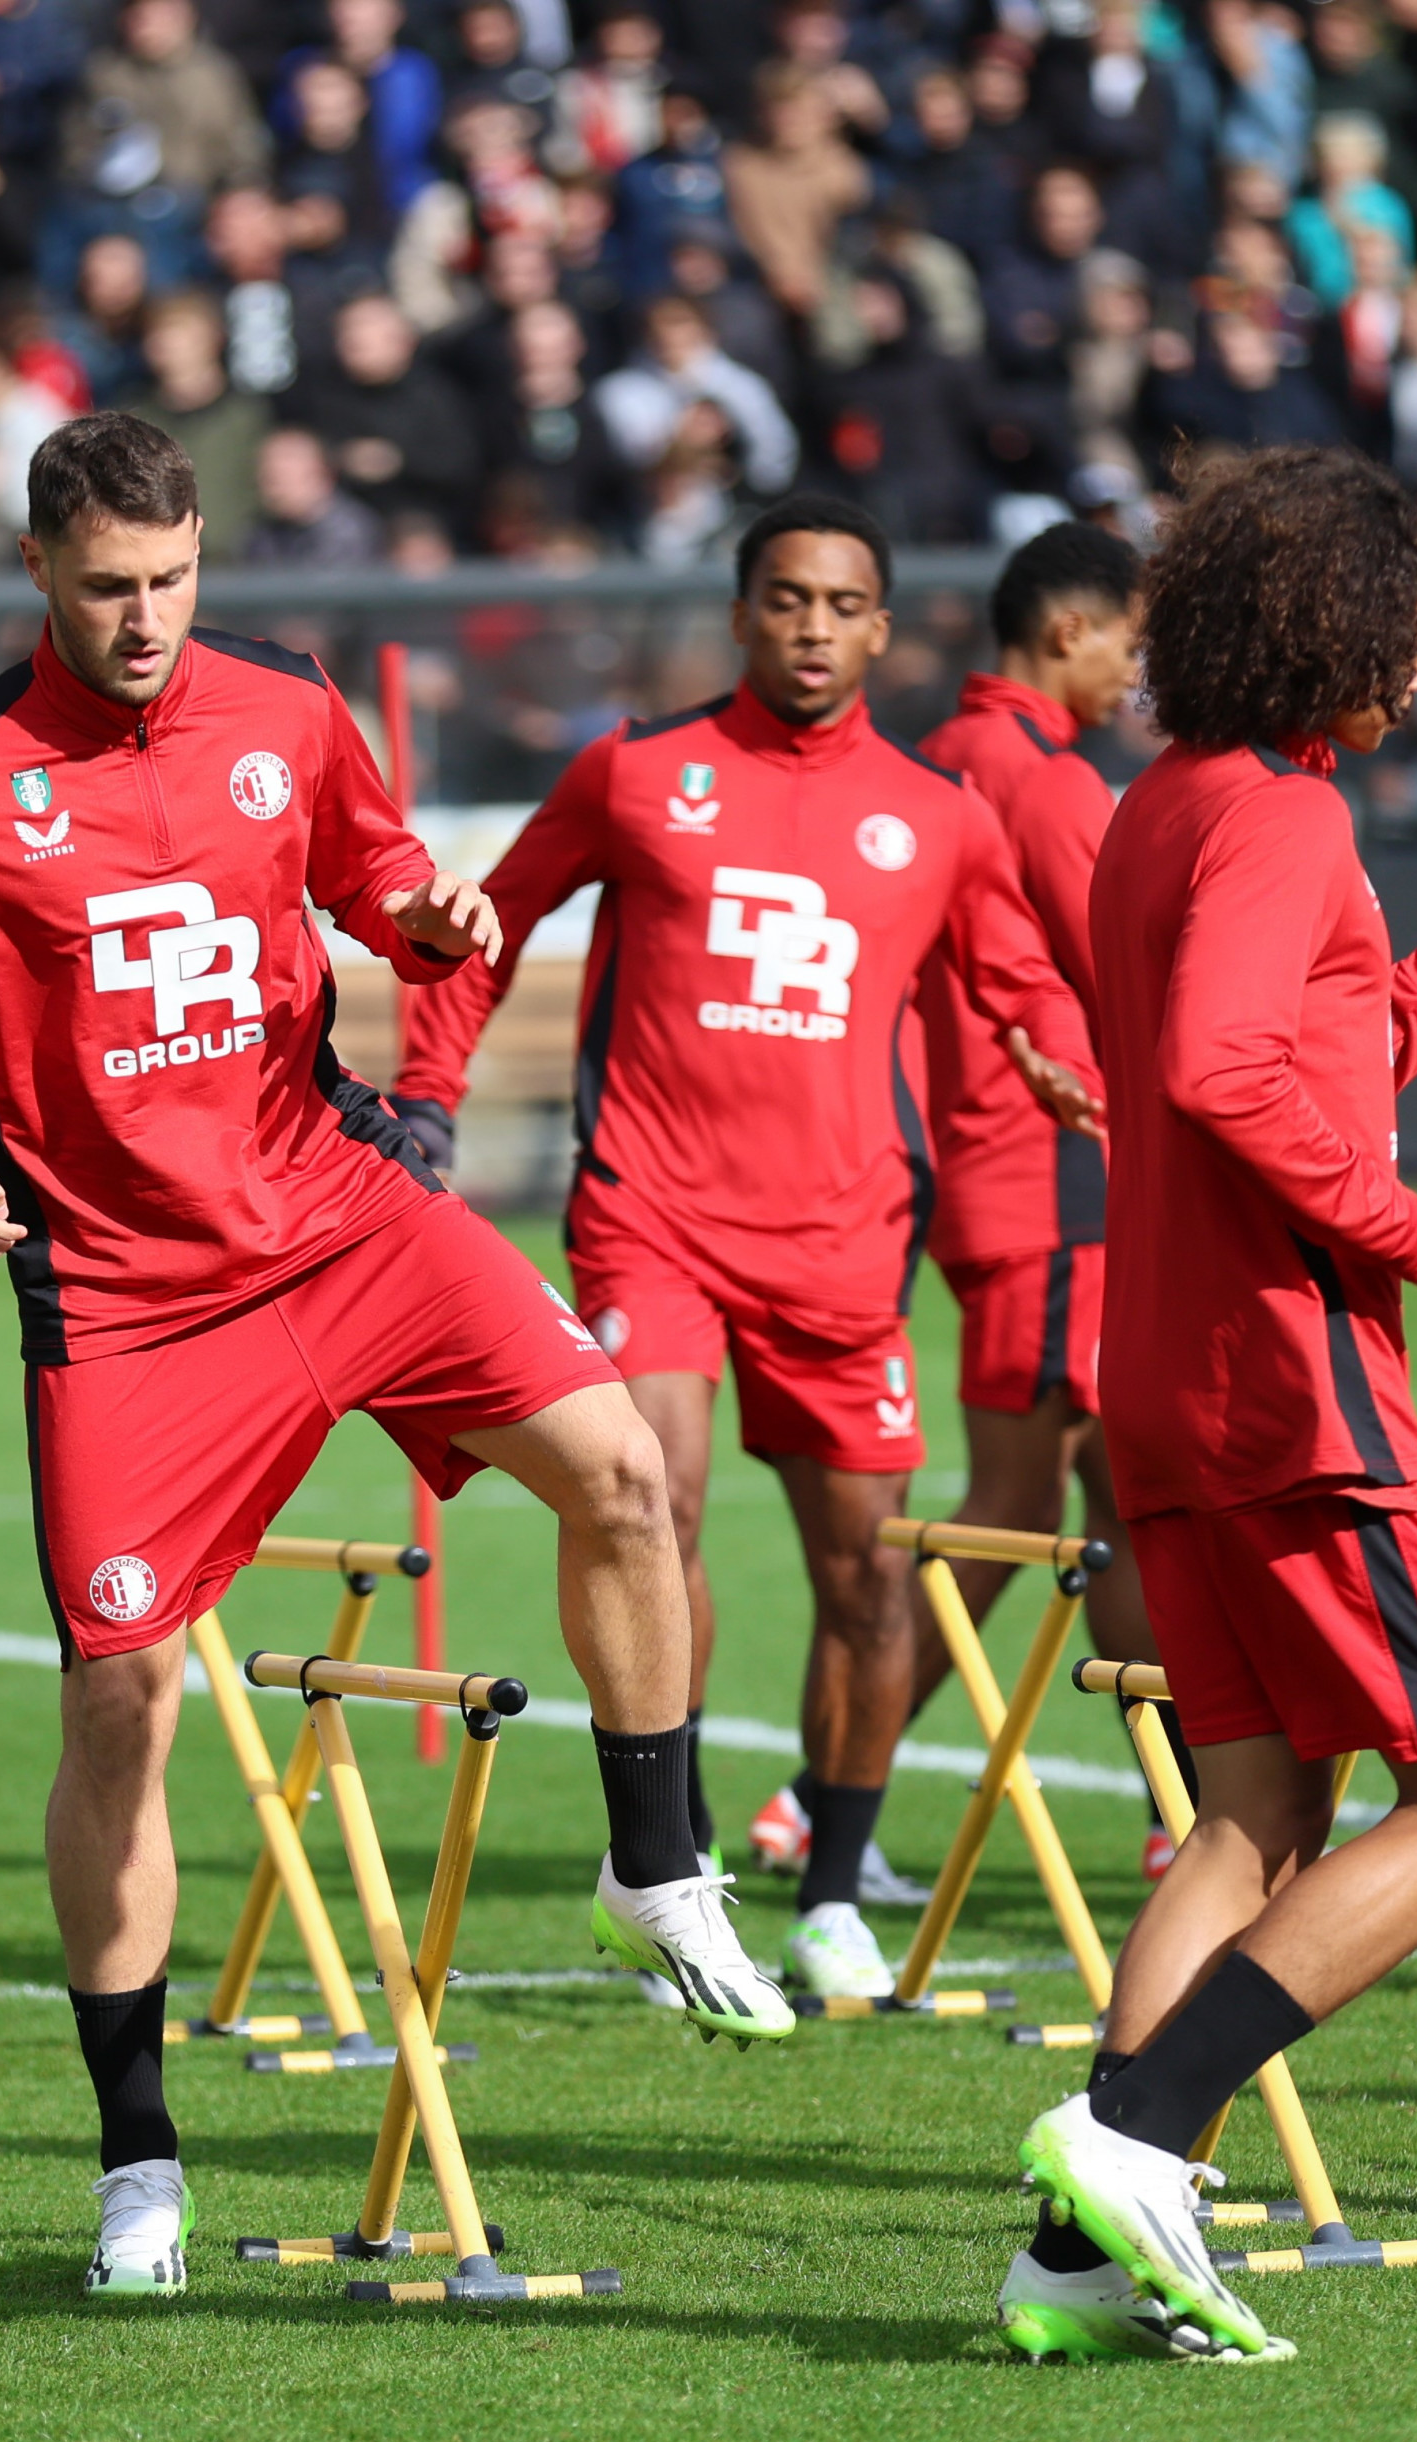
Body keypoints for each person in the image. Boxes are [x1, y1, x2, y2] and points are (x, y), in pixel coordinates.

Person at [0, 412, 790, 2304]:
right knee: (121, 1707)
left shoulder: (287, 706)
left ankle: (657, 1862)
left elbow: (378, 869)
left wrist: (430, 911)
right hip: (128, 1303)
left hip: (334, 1206)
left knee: (630, 1468)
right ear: (38, 575)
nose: (144, 618)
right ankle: (139, 2160)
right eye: (105, 589)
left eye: (169, 579)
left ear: (200, 556)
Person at [393, 498, 1103, 2006]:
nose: (813, 628)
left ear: (883, 629)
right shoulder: (639, 772)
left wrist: (1059, 1057)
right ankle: (676, 1863)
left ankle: (837, 1887)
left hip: (846, 1248)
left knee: (866, 1578)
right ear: (739, 614)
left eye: (845, 604)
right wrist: (431, 1103)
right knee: (656, 1494)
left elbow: (1022, 979)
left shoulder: (942, 818)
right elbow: (485, 924)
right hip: (653, 1218)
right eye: (785, 599)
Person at [1000, 445, 1417, 2368]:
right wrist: (1414, 1225)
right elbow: (1234, 1072)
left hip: (1164, 1371)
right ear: (1326, 626)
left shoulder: (1167, 803)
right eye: (1405, 630)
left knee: (1249, 1823)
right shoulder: (1287, 822)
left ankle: (1071, 2260)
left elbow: (1276, 1051)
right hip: (1287, 1381)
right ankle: (1134, 2135)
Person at [746, 521, 1158, 1889]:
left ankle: (1186, 1805)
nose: (1135, 671)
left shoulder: (941, 760)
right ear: (1067, 633)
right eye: (1127, 642)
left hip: (999, 1169)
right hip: (1046, 1173)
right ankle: (820, 1802)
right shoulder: (1037, 778)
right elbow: (1125, 969)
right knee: (1012, 1503)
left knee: (1121, 1498)